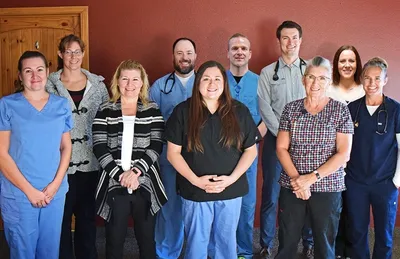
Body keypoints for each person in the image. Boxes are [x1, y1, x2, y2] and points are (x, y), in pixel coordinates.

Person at [165, 60, 259, 259]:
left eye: (217, 78)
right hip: (196, 191)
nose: (212, 83)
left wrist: (231, 179)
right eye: (206, 78)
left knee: (226, 245)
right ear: (198, 82)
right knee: (196, 246)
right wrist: (196, 181)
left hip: (230, 190)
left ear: (224, 83)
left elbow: (251, 151)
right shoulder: (183, 111)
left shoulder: (239, 111)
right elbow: (172, 153)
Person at [275, 56, 353, 259]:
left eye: (322, 78)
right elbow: (281, 148)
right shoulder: (291, 109)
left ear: (329, 81)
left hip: (328, 186)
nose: (316, 83)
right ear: (303, 80)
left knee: (324, 243)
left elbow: (343, 153)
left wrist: (310, 179)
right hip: (292, 185)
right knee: (287, 241)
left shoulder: (340, 109)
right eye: (311, 77)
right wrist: (298, 181)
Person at [0, 51, 73, 259]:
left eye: (40, 69)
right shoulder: (6, 105)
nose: (35, 75)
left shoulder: (60, 105)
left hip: (53, 193)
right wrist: (30, 191)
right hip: (20, 195)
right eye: (28, 71)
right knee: (23, 251)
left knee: (50, 251)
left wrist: (55, 185)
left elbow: (66, 147)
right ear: (20, 75)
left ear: (47, 72)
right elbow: (1, 154)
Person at [93, 60, 167, 259]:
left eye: (135, 79)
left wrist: (135, 173)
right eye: (124, 78)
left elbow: (157, 144)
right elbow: (99, 146)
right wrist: (120, 175)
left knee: (146, 240)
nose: (130, 84)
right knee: (114, 240)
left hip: (145, 183)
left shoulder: (152, 108)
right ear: (117, 81)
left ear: (142, 83)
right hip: (114, 184)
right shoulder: (105, 109)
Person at [46, 34, 109, 259]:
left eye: (77, 52)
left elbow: (107, 120)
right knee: (59, 221)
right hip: (58, 165)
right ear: (61, 54)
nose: (73, 56)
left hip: (91, 164)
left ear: (83, 54)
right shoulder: (48, 84)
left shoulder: (98, 85)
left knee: (86, 220)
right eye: (68, 52)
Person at [257, 20, 313, 258]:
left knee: (306, 191)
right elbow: (264, 107)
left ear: (301, 40)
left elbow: (318, 103)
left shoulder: (311, 70)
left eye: (294, 38)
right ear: (278, 41)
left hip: (307, 143)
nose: (290, 42)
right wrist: (282, 134)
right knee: (271, 194)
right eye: (285, 38)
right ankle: (266, 245)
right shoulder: (268, 73)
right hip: (274, 141)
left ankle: (308, 243)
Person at [345, 57, 400, 259]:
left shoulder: (395, 110)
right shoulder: (352, 109)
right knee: (357, 232)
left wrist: (396, 181)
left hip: (384, 183)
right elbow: (342, 146)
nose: (372, 83)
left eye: (377, 78)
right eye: (367, 78)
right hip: (355, 182)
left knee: (384, 234)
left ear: (385, 80)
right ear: (361, 79)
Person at [149, 37, 197, 259]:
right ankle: (166, 253)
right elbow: (150, 122)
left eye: (188, 52)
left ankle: (197, 252)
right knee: (169, 206)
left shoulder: (207, 83)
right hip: (168, 157)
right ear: (173, 56)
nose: (184, 57)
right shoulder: (160, 86)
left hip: (199, 158)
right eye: (179, 53)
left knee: (198, 208)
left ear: (195, 56)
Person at [226, 33, 266, 259]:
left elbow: (267, 118)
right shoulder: (217, 79)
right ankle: (221, 250)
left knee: (247, 203)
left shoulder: (260, 81)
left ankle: (243, 251)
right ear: (228, 53)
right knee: (221, 202)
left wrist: (252, 141)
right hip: (221, 151)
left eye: (243, 48)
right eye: (234, 48)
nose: (239, 52)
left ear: (249, 54)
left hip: (250, 151)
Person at [328, 45, 364, 259]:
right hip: (332, 156)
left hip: (359, 157)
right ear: (336, 64)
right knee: (334, 208)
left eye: (351, 61)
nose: (347, 65)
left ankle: (352, 251)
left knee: (354, 207)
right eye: (342, 61)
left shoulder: (364, 88)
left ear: (357, 63)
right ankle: (336, 251)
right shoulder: (328, 89)